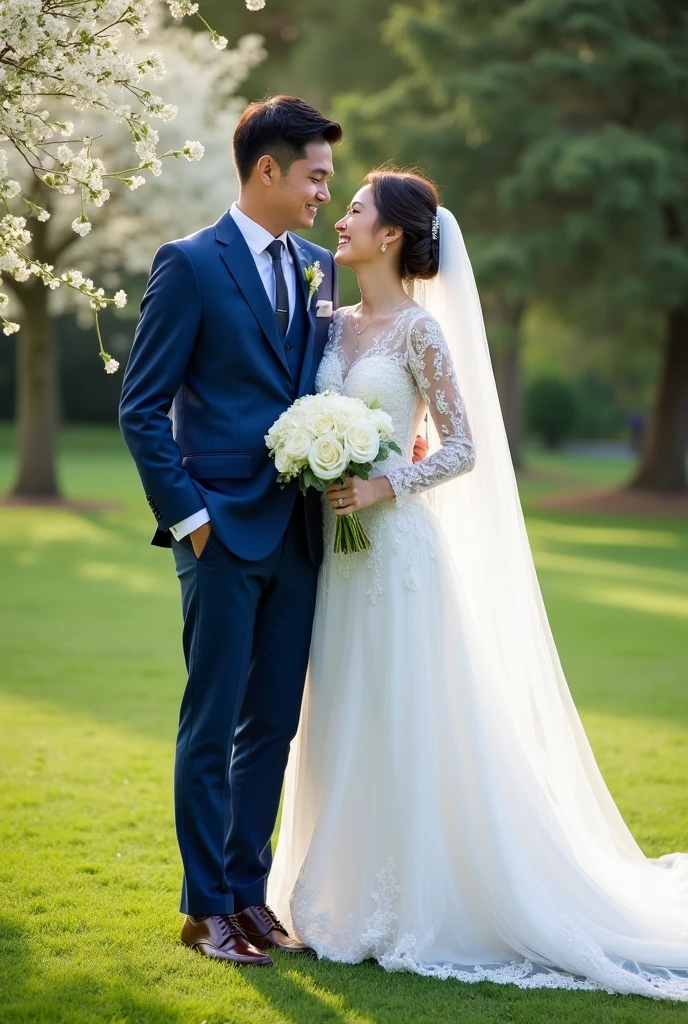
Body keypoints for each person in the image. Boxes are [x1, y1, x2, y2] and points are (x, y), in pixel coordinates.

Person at [268, 169, 688, 1000]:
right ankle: (339, 895)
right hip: (337, 561)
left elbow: (463, 447)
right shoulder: (329, 322)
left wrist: (383, 484)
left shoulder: (420, 332)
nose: (340, 219)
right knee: (344, 714)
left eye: (353, 209)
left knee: (404, 718)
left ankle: (410, 906)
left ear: (390, 236)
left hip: (396, 556)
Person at [119, 97, 427, 968]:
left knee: (273, 728)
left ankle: (249, 899)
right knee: (211, 722)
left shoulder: (320, 269)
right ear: (268, 171)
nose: (328, 192)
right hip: (219, 535)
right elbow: (142, 409)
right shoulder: (189, 265)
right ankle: (205, 907)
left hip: (300, 537)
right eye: (317, 175)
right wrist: (192, 520)